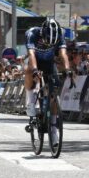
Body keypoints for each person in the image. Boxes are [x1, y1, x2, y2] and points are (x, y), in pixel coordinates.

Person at [24, 18, 71, 146]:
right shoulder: (32, 34)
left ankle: (54, 129)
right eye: (46, 41)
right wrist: (34, 70)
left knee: (54, 95)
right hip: (36, 62)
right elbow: (32, 55)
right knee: (28, 71)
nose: (48, 45)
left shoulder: (60, 35)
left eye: (52, 44)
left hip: (49, 64)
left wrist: (68, 70)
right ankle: (30, 103)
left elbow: (63, 54)